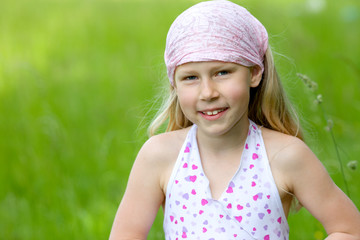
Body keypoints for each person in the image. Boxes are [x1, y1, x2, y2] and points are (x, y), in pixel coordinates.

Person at [109, 0, 360, 239]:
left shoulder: (286, 155)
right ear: (173, 84)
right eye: (190, 77)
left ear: (254, 73)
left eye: (222, 72)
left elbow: (350, 230)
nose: (208, 92)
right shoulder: (159, 156)